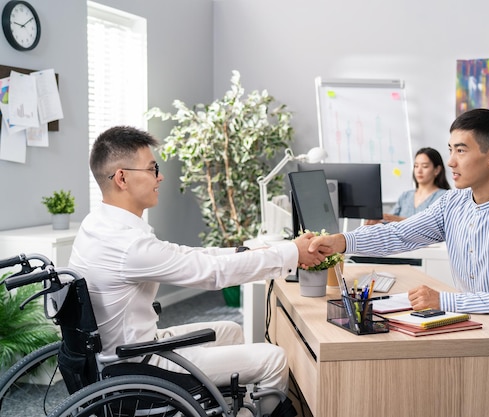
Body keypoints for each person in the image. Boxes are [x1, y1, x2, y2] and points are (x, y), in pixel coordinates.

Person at [68, 126, 326, 417]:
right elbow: (210, 273)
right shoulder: (128, 245)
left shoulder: (98, 224)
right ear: (122, 178)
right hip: (137, 366)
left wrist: (256, 252)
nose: (160, 176)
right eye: (153, 169)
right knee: (275, 359)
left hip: (123, 351)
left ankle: (229, 406)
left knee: (230, 330)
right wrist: (291, 253)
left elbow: (185, 255)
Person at [309, 108, 489, 326]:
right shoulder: (451, 203)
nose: (451, 161)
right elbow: (399, 234)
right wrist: (340, 241)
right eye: (451, 149)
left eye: (461, 150)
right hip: (469, 323)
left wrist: (445, 301)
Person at [366, 147, 450, 224]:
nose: (419, 171)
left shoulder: (444, 197)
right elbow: (389, 220)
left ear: (437, 170)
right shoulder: (406, 196)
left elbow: (435, 226)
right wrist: (377, 222)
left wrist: (401, 220)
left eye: (425, 166)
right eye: (416, 166)